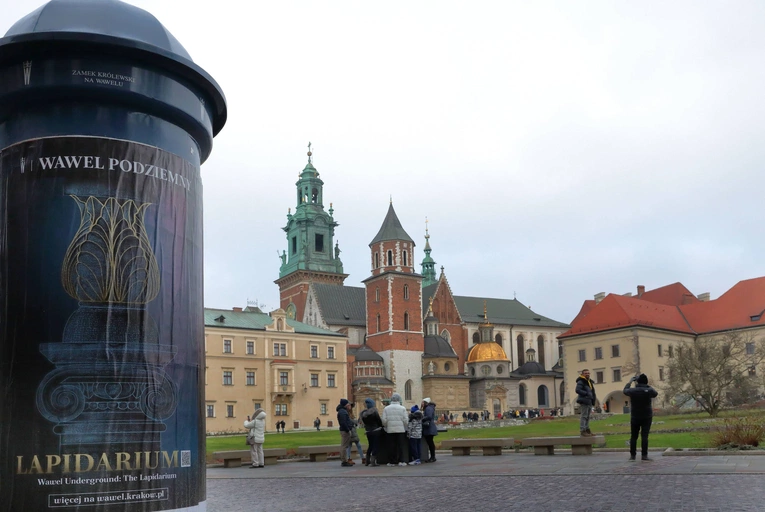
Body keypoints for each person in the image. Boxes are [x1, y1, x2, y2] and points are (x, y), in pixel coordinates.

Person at [624, 373, 659, 461]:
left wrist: (630, 382)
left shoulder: (633, 391)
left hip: (635, 416)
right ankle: (644, 455)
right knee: (644, 436)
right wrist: (647, 386)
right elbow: (655, 393)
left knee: (633, 436)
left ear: (637, 382)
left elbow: (625, 390)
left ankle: (632, 456)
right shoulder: (649, 390)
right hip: (647, 415)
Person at [381, 393, 408, 467]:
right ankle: (401, 460)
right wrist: (404, 426)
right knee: (400, 446)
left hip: (390, 430)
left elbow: (384, 420)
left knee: (391, 446)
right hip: (400, 430)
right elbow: (406, 420)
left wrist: (387, 426)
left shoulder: (386, 408)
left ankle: (392, 461)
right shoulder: (402, 408)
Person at [359, 398, 383, 466]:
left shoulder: (363, 414)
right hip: (375, 430)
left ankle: (367, 460)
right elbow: (379, 421)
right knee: (375, 445)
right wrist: (381, 426)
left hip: (368, 431)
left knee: (370, 445)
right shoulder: (374, 412)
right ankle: (373, 461)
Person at [575, 369, 597, 436]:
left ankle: (587, 429)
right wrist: (586, 394)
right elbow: (577, 390)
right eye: (585, 373)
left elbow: (592, 391)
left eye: (588, 373)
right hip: (584, 400)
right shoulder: (581, 381)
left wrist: (593, 398)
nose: (587, 374)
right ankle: (582, 430)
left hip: (589, 400)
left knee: (587, 416)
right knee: (584, 416)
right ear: (582, 374)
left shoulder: (589, 381)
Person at [336, 398, 353, 467]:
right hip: (345, 430)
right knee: (344, 446)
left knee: (344, 446)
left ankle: (344, 460)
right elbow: (343, 422)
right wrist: (348, 429)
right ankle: (344, 460)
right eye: (347, 404)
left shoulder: (342, 411)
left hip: (344, 430)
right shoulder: (343, 412)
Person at [421, 397, 438, 463]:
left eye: (422, 402)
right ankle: (432, 457)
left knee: (430, 443)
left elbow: (429, 417)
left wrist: (422, 418)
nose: (422, 404)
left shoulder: (428, 408)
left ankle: (433, 457)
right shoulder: (429, 408)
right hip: (429, 427)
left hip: (429, 427)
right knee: (430, 442)